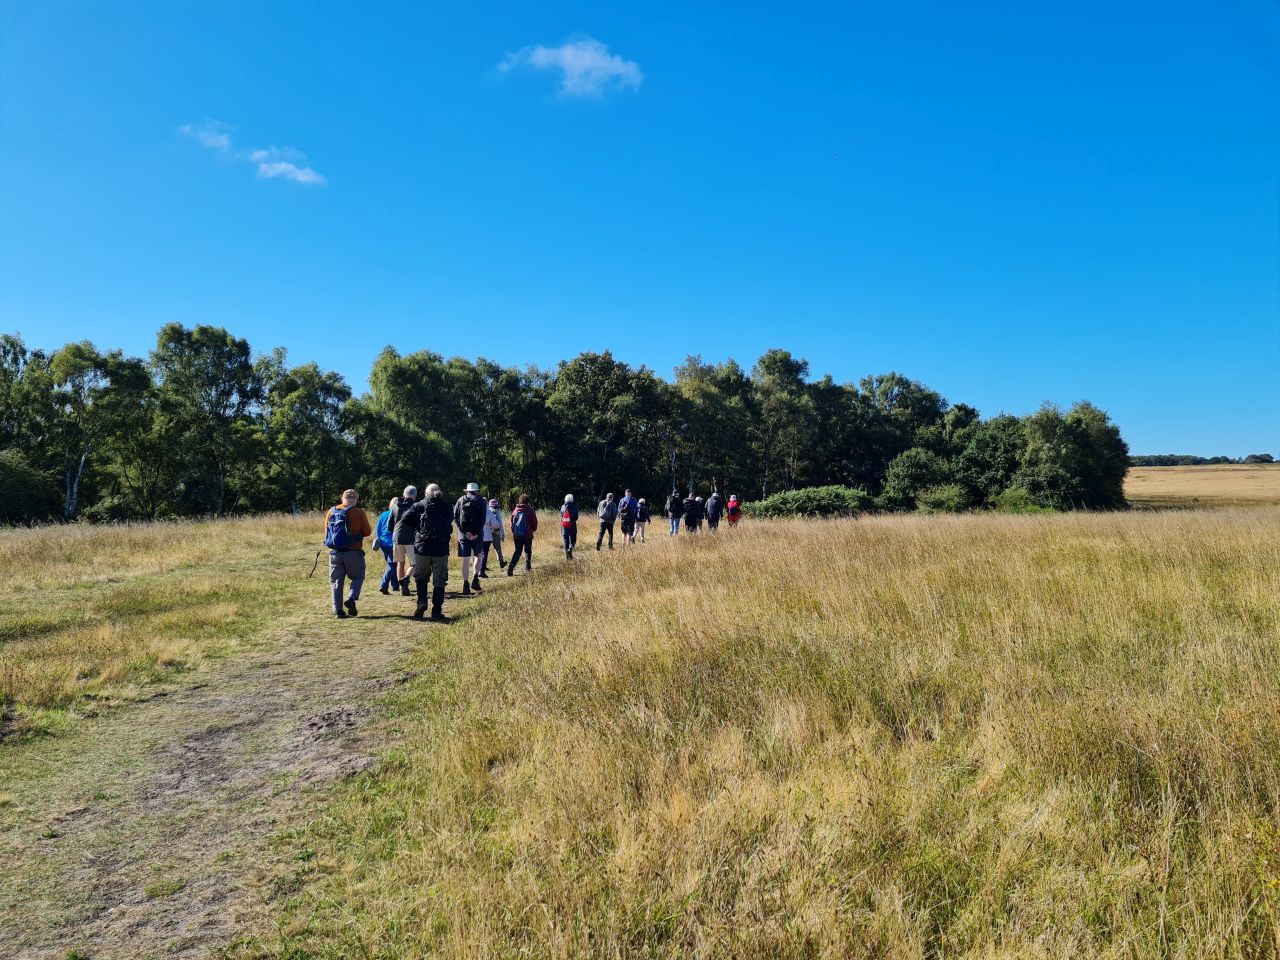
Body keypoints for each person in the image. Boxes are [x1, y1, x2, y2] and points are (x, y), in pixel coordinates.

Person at [400, 483, 452, 621]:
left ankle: (422, 602)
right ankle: (436, 611)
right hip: (441, 549)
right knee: (439, 581)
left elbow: (405, 519)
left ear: (426, 493)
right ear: (439, 492)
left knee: (421, 577)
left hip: (422, 547)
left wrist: (419, 528)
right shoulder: (447, 507)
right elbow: (450, 522)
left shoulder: (419, 505)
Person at [324, 488, 373, 619]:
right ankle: (351, 598)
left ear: (342, 499)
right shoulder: (359, 512)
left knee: (336, 581)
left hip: (335, 553)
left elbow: (327, 532)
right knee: (358, 577)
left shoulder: (331, 511)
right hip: (353, 552)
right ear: (355, 500)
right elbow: (367, 532)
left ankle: (338, 611)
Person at [454, 482, 488, 596]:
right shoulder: (482, 501)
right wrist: (476, 534)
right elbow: (483, 519)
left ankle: (465, 584)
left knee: (465, 559)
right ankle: (475, 579)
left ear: (466, 491)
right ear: (477, 491)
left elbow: (455, 517)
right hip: (477, 534)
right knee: (478, 555)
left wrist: (464, 532)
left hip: (463, 535)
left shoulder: (460, 500)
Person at [390, 485, 419, 596]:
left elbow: (390, 524)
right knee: (415, 564)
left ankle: (403, 589)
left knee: (400, 564)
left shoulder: (395, 506)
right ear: (415, 496)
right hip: (411, 538)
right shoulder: (415, 506)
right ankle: (406, 579)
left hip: (397, 537)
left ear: (404, 494)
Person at [507, 494, 539, 574]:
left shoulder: (515, 510)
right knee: (528, 551)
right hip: (527, 534)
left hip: (517, 535)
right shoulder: (530, 510)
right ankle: (528, 568)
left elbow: (511, 522)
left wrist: (514, 531)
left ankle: (512, 565)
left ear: (520, 501)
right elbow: (534, 522)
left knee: (517, 551)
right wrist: (533, 529)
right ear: (528, 501)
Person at [374, 497, 400, 594]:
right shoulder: (398, 514)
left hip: (384, 543)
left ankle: (395, 585)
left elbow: (378, 529)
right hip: (393, 543)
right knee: (392, 565)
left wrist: (380, 539)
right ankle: (383, 585)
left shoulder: (384, 514)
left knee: (393, 564)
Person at [481, 497, 505, 576]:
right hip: (495, 532)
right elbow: (499, 524)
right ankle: (501, 562)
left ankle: (483, 566)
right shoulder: (496, 512)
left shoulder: (482, 511)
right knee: (498, 549)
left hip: (485, 534)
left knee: (484, 551)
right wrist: (502, 533)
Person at [560, 493, 579, 559]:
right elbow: (576, 517)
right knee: (573, 539)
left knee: (565, 540)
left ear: (565, 499)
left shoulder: (563, 506)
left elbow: (561, 515)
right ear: (572, 500)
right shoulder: (574, 506)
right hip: (572, 526)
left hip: (564, 526)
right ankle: (571, 547)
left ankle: (567, 555)